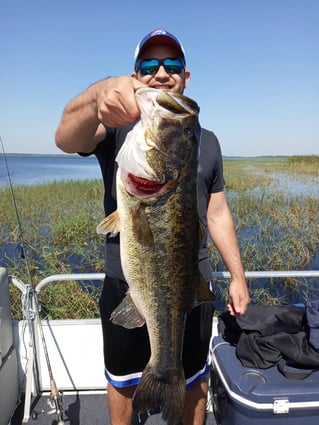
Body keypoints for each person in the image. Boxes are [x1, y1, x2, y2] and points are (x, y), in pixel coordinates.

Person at [55, 29, 250, 425]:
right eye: (150, 65)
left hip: (192, 281)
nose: (161, 73)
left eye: (172, 65)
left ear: (186, 77)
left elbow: (217, 213)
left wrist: (238, 275)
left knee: (193, 379)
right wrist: (97, 97)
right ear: (135, 75)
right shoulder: (116, 130)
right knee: (123, 382)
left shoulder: (205, 142)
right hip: (127, 281)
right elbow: (64, 137)